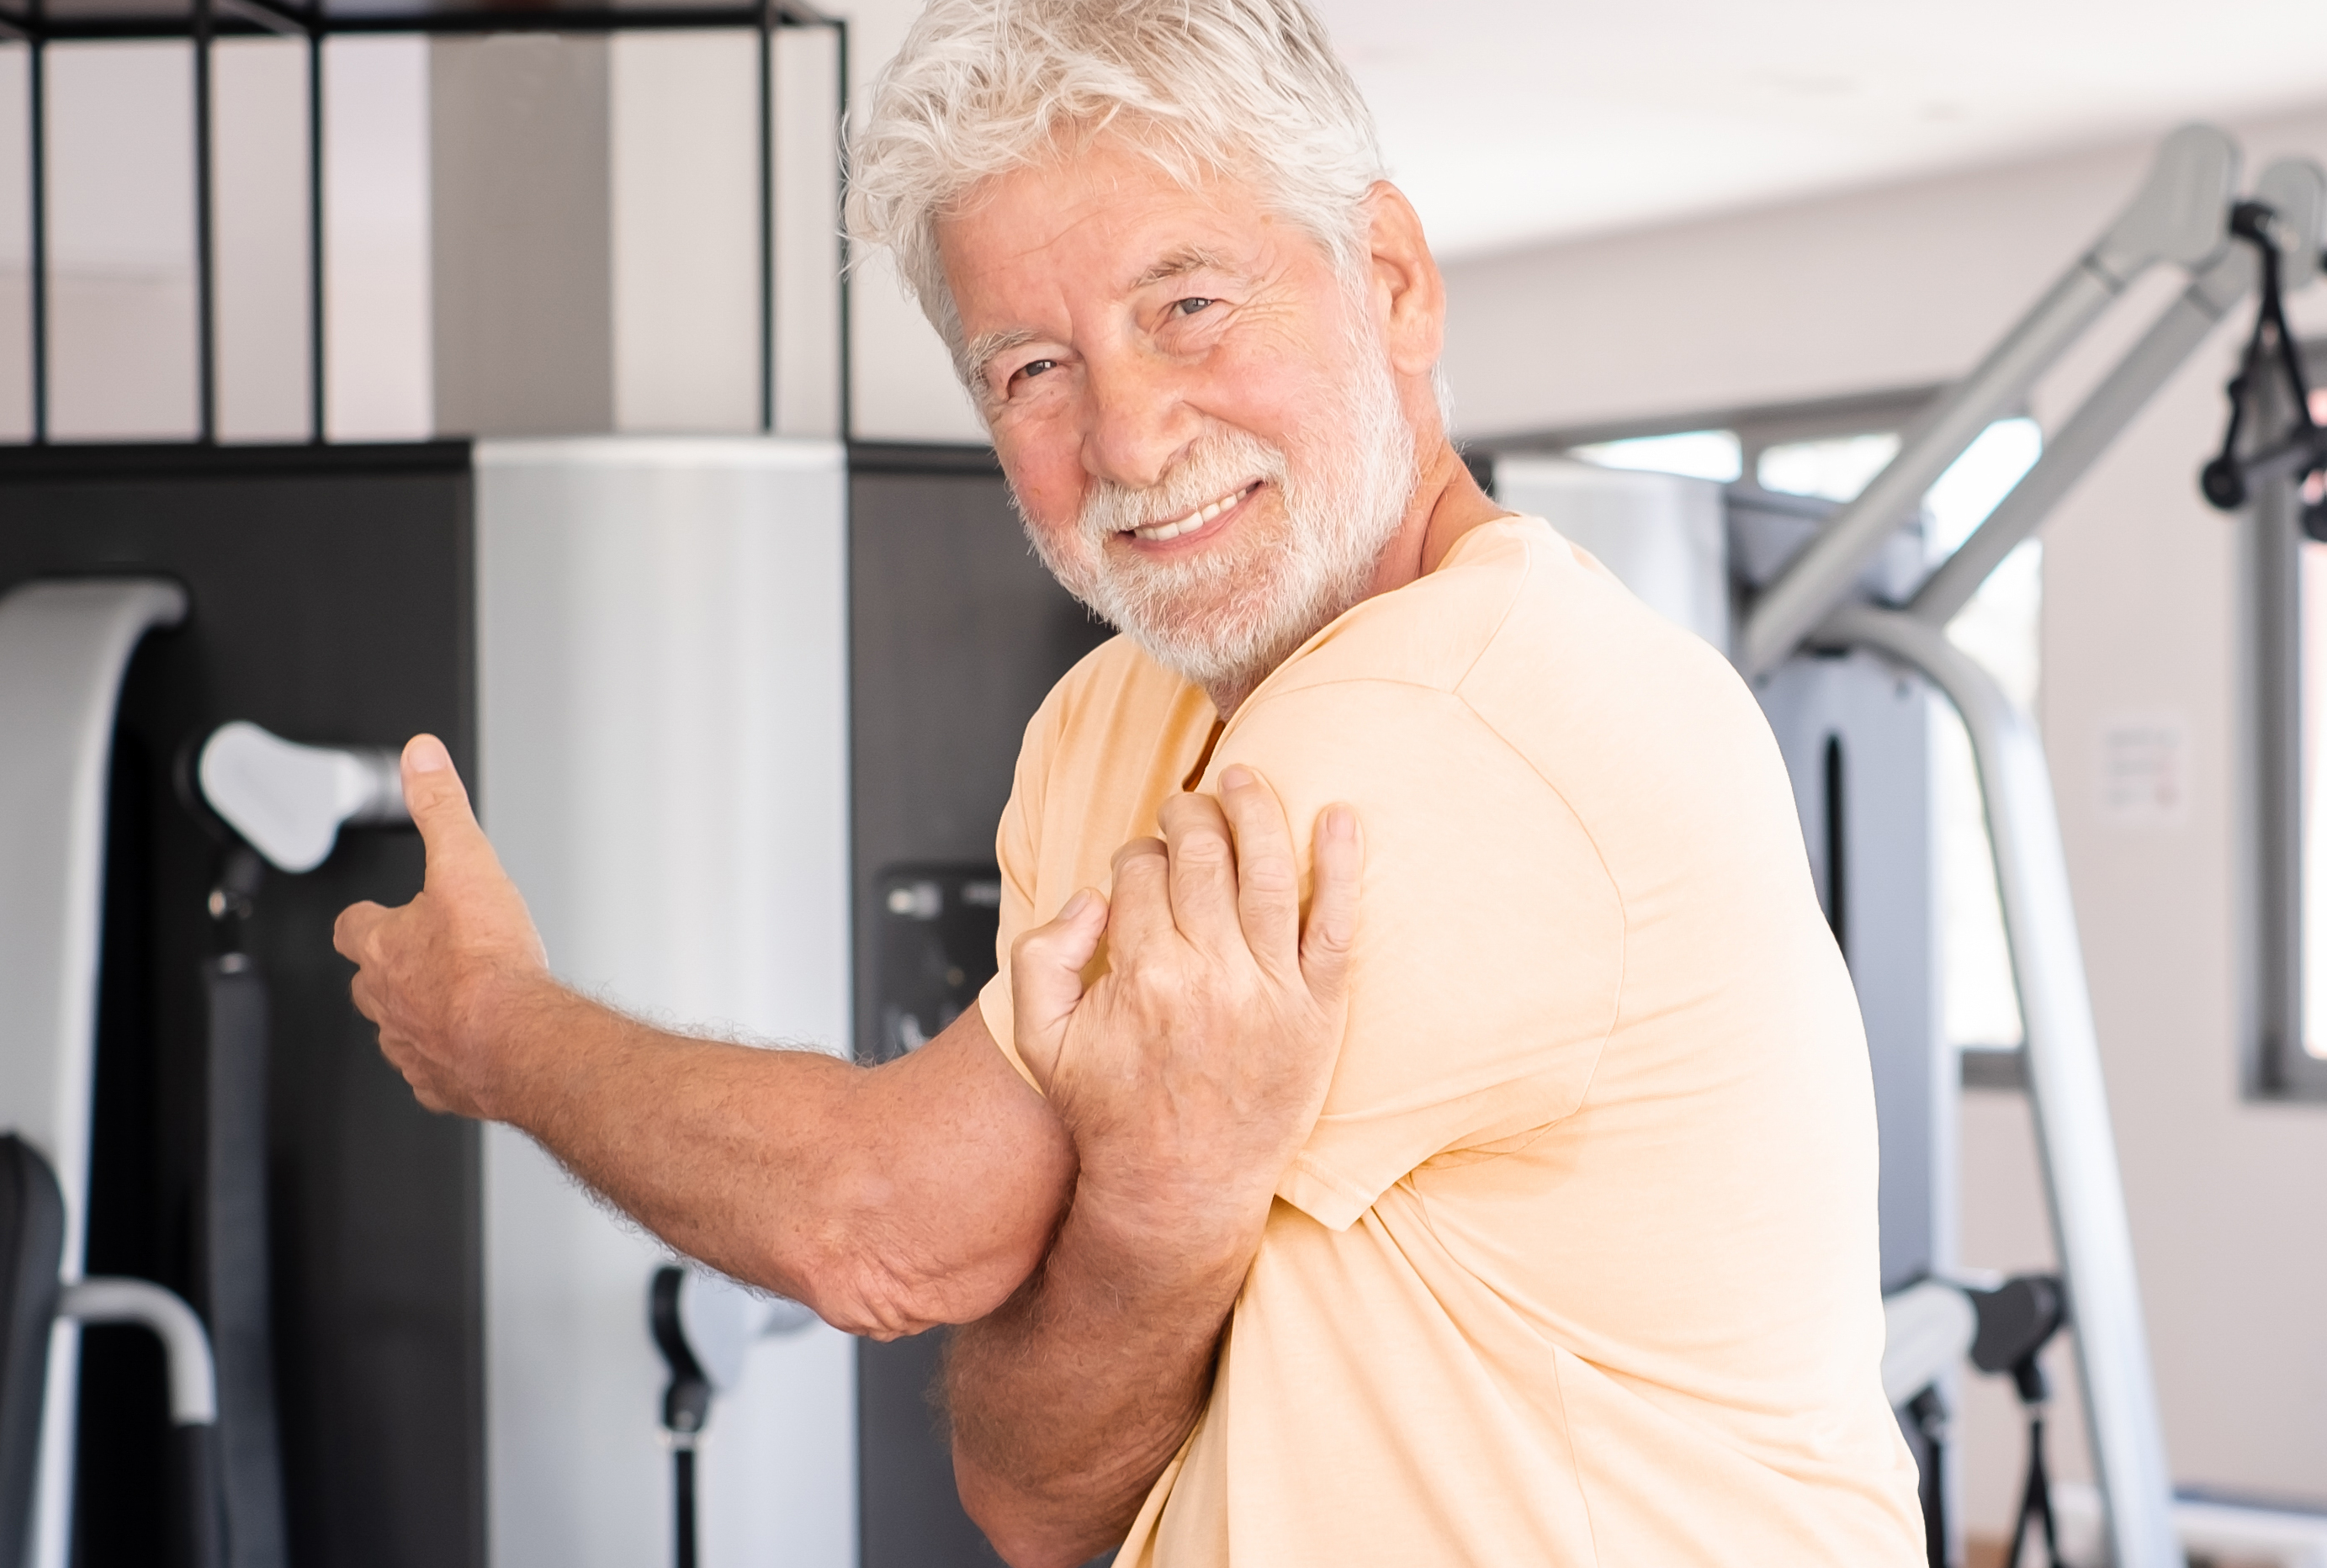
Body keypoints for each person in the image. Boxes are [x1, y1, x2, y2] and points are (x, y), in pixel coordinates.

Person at [336, 0, 1923, 1563]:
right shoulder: (1109, 720)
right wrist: (1158, 1221)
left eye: (1187, 307)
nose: (1129, 434)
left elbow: (883, 1224)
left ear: (1389, 282)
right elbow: (1033, 1496)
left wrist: (493, 1025)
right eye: (1032, 366)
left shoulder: (1467, 721)